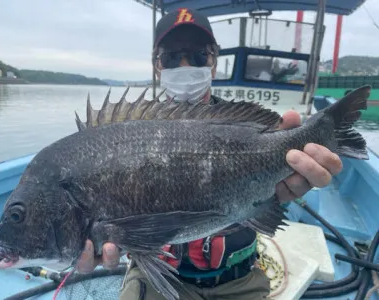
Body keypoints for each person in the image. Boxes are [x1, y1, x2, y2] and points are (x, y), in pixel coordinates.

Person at [76, 8, 343, 300]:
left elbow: (270, 198)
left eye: (199, 55)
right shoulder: (128, 135)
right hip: (156, 279)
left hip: (240, 280)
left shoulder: (242, 127)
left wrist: (284, 180)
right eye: (171, 57)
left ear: (214, 63)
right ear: (157, 66)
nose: (185, 64)